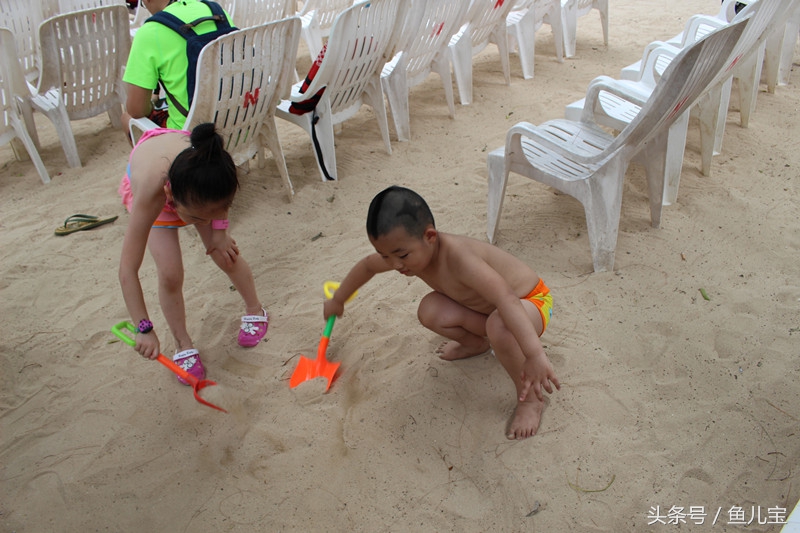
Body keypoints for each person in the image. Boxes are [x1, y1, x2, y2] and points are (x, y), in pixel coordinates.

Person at [324, 186, 560, 439]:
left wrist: (534, 353)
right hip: (489, 312)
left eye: (401, 255)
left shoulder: (460, 258)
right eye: (386, 255)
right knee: (430, 310)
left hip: (530, 303)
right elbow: (367, 266)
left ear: (430, 236)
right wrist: (338, 299)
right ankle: (476, 345)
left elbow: (507, 300)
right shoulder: (405, 253)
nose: (394, 265)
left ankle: (532, 401)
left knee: (500, 326)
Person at [118, 123, 268, 384]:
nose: (205, 221)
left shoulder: (214, 169)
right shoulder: (152, 196)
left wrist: (220, 231)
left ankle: (256, 309)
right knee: (170, 274)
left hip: (193, 183)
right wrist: (143, 328)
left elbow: (221, 202)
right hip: (160, 179)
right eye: (199, 218)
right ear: (170, 196)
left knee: (225, 253)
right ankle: (182, 343)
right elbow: (127, 270)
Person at [122, 0, 235, 133]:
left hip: (193, 137)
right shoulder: (218, 12)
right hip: (239, 123)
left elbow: (136, 110)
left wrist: (151, 105)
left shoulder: (150, 31)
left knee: (127, 118)